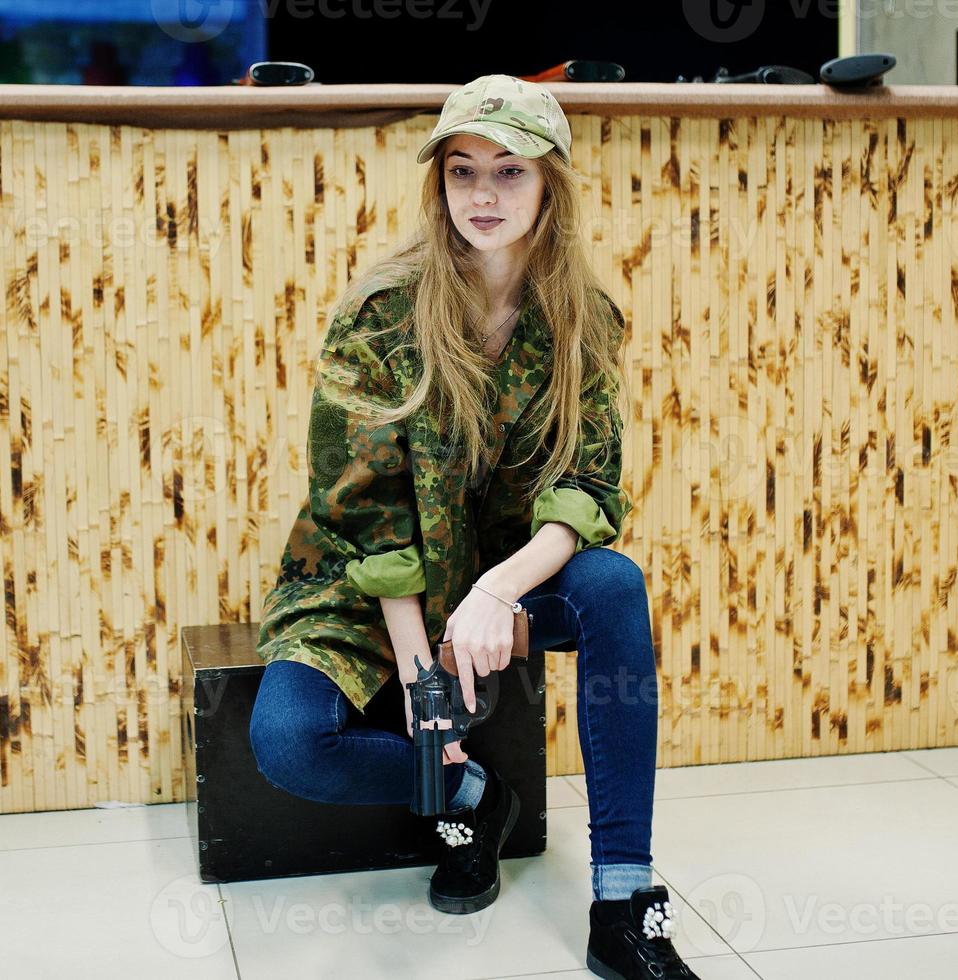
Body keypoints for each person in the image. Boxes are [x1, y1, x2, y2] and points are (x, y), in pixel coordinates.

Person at [248, 74, 699, 980]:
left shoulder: (585, 318)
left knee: (614, 584)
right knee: (287, 743)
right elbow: (362, 507)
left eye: (509, 171)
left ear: (549, 187)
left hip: (503, 566)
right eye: (462, 171)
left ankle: (623, 902)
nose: (482, 195)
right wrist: (423, 685)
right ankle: (473, 795)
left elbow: (586, 483)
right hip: (368, 575)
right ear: (439, 183)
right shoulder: (380, 313)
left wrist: (499, 586)